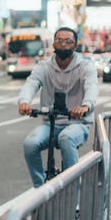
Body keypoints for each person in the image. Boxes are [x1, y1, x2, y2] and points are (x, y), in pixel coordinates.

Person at [18, 26, 99, 188]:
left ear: (75, 46)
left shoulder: (85, 66)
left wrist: (85, 106)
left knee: (66, 138)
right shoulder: (44, 66)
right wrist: (24, 101)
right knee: (30, 144)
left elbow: (92, 86)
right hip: (51, 123)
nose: (63, 44)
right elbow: (32, 82)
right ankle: (40, 189)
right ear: (53, 44)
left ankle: (73, 190)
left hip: (77, 123)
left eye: (68, 41)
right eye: (59, 40)